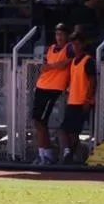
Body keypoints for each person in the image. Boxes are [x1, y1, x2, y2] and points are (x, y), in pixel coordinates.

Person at [30, 24, 74, 165]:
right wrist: (48, 67)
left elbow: (64, 64)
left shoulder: (69, 48)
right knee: (36, 121)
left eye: (62, 34)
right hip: (42, 85)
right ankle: (42, 152)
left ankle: (47, 154)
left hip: (53, 88)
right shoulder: (50, 48)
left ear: (67, 36)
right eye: (57, 34)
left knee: (42, 121)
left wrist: (49, 67)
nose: (59, 37)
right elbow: (46, 65)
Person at [58, 31, 96, 163]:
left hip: (81, 102)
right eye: (73, 44)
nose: (75, 46)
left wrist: (87, 100)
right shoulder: (73, 61)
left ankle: (69, 154)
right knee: (67, 131)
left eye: (77, 43)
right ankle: (69, 155)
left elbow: (92, 81)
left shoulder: (88, 61)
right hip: (72, 101)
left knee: (70, 131)